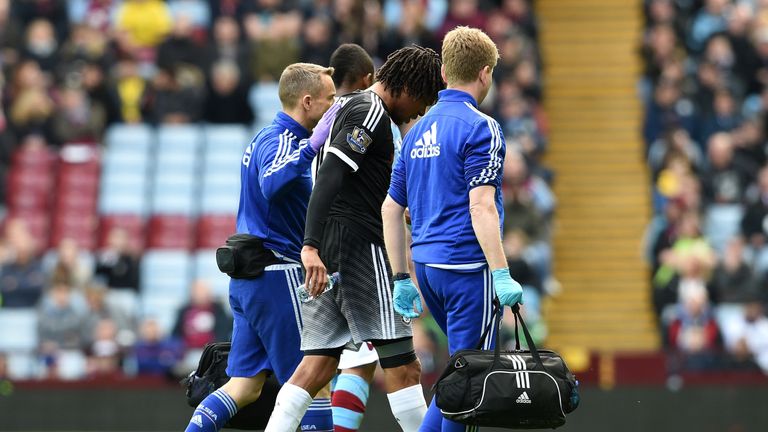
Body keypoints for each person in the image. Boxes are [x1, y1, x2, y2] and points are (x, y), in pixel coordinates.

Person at [263, 45, 444, 432]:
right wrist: (309, 246)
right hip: (359, 246)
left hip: (332, 245)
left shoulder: (345, 106)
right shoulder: (371, 111)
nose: (421, 111)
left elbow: (346, 179)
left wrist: (316, 244)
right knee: (405, 368)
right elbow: (331, 174)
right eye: (423, 99)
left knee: (317, 366)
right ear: (407, 87)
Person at [382, 27, 524, 432]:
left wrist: (401, 278)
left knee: (460, 374)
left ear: (444, 73)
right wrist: (501, 272)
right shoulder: (482, 127)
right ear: (485, 73)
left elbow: (391, 209)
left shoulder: (415, 132)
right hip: (466, 269)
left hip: (427, 272)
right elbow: (481, 206)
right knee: (471, 384)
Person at [184, 62, 339, 432]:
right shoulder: (283, 141)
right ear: (307, 102)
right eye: (330, 99)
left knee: (245, 385)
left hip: (251, 278)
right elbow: (271, 183)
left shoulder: (264, 138)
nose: (335, 106)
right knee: (313, 380)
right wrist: (312, 146)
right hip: (277, 276)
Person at [322, 43, 378, 432]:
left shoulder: (321, 118)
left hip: (319, 246)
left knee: (325, 360)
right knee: (362, 358)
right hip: (356, 247)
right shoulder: (367, 114)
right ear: (367, 79)